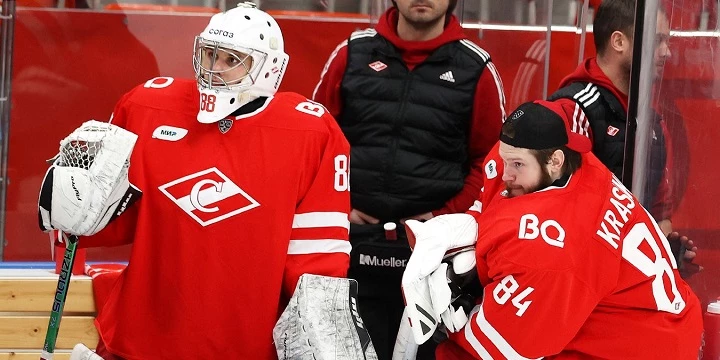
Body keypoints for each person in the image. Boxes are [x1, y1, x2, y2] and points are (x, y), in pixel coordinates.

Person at [39, 3, 351, 359]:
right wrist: (70, 205)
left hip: (247, 341)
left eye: (231, 59)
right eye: (208, 54)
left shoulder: (309, 133)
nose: (213, 69)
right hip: (143, 336)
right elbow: (109, 223)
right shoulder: (146, 106)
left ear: (269, 69)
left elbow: (317, 263)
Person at [401, 99, 703, 359]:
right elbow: (493, 200)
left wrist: (443, 328)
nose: (506, 174)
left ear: (555, 161)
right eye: (505, 160)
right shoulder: (573, 162)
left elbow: (505, 348)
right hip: (654, 318)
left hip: (644, 347)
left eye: (517, 165)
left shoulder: (557, 247)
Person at [312, 0, 505, 357]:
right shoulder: (352, 52)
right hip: (349, 243)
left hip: (433, 257)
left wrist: (442, 220)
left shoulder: (476, 68)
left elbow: (492, 163)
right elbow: (316, 140)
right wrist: (339, 206)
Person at [548, 0, 699, 275]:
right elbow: (561, 218)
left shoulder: (652, 121)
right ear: (618, 41)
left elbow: (660, 215)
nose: (666, 52)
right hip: (582, 278)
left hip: (629, 279)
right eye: (657, 41)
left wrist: (666, 252)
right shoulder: (574, 109)